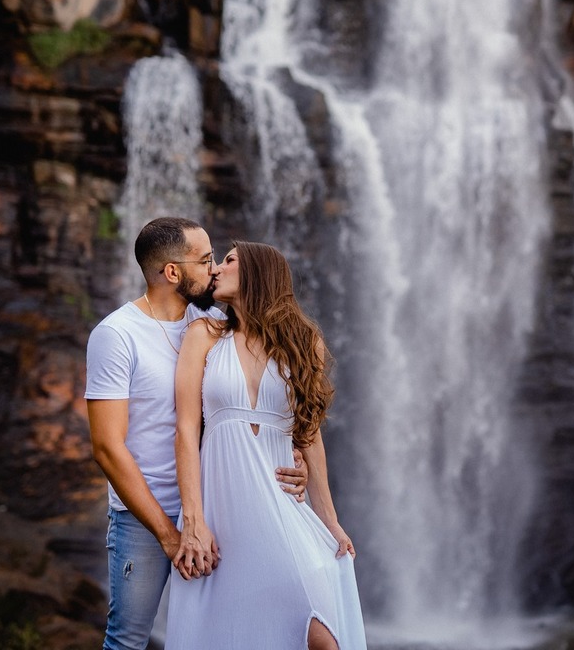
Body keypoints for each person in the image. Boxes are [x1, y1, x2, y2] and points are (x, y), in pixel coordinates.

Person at [85, 218, 308, 650]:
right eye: (206, 260)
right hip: (144, 522)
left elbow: (261, 399)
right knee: (128, 639)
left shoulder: (213, 325)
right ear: (172, 272)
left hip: (220, 511)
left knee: (230, 633)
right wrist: (171, 535)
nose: (215, 269)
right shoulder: (117, 335)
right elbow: (107, 448)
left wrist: (292, 456)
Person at [166, 241, 366, 650]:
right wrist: (193, 520)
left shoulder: (303, 342)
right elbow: (186, 430)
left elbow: (309, 435)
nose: (216, 269)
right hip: (223, 511)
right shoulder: (203, 335)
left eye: (229, 260)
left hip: (281, 502)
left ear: (258, 272)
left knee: (322, 634)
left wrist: (330, 519)